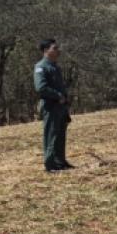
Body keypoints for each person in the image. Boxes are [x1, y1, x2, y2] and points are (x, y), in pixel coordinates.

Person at [33, 39, 72, 172]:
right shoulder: (41, 67)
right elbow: (41, 88)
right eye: (54, 48)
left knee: (60, 135)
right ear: (46, 51)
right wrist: (58, 96)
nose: (57, 50)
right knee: (51, 135)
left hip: (61, 107)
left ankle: (60, 162)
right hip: (51, 106)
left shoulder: (55, 67)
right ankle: (50, 165)